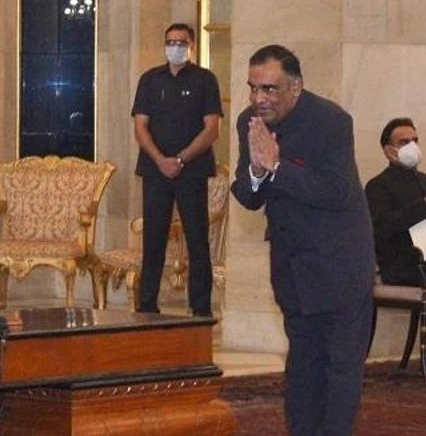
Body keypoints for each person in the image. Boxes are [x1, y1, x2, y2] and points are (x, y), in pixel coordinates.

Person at [230, 44, 374, 436]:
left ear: (296, 87)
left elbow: (335, 192)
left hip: (340, 266)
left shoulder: (331, 122)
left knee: (340, 368)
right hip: (293, 268)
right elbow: (248, 194)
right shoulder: (250, 120)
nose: (259, 99)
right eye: (253, 88)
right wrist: (258, 172)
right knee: (302, 368)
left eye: (270, 89)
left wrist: (276, 166)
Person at [131, 23, 222, 316]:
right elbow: (140, 125)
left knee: (197, 241)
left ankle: (200, 310)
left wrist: (180, 160)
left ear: (192, 45)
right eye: (170, 42)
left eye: (181, 42)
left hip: (191, 172)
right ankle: (147, 307)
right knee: (153, 240)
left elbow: (212, 129)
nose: (175, 47)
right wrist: (160, 160)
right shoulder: (150, 79)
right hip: (155, 171)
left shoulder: (205, 80)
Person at [365, 118, 426, 287]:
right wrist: (421, 206)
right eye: (404, 142)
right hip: (400, 276)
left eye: (415, 141)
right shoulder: (378, 185)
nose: (412, 146)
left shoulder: (423, 180)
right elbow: (380, 227)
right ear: (389, 150)